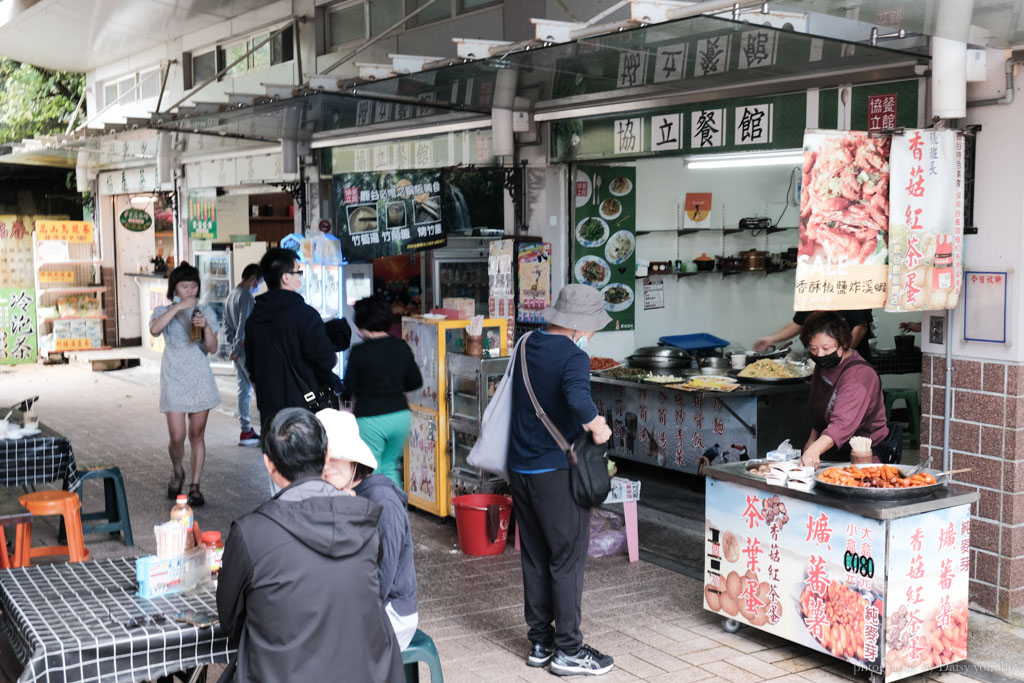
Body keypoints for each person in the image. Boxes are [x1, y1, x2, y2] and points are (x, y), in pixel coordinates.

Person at [217, 408, 404, 683]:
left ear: (269, 465)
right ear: (326, 456)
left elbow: (230, 623)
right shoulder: (364, 521)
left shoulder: (250, 534)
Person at [508, 284, 614, 677]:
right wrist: (598, 427)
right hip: (555, 473)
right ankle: (569, 650)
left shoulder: (525, 344)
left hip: (521, 468)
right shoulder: (573, 356)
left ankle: (541, 642)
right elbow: (578, 400)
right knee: (566, 559)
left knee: (535, 555)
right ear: (581, 325)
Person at [318, 408, 419, 650]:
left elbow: (379, 586)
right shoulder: (337, 493)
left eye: (335, 456)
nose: (327, 465)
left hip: (391, 611)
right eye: (321, 458)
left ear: (354, 457)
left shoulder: (382, 501)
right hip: (355, 600)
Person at [244, 247, 339, 437]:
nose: (301, 277)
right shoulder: (306, 315)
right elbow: (325, 361)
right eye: (298, 272)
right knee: (304, 460)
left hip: (270, 410)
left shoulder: (254, 318)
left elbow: (252, 368)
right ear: (286, 277)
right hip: (304, 408)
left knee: (277, 462)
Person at [148, 262, 220, 507]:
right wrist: (178, 307)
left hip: (199, 376)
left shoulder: (205, 312)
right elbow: (155, 330)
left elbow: (211, 348)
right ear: (174, 289)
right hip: (174, 376)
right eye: (184, 286)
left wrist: (206, 328)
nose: (190, 290)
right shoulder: (163, 309)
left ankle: (195, 486)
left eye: (193, 285)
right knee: (177, 436)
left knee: (196, 435)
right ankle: (178, 471)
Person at [341, 297, 422, 488]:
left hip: (370, 418)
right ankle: (396, 511)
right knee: (390, 466)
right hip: (400, 416)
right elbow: (415, 381)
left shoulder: (359, 352)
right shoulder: (401, 347)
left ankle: (378, 514)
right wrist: (393, 386)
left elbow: (349, 389)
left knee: (371, 469)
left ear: (361, 324)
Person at [798, 311, 889, 468]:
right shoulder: (824, 365)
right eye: (813, 349)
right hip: (832, 449)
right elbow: (820, 415)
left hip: (865, 454)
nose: (820, 355)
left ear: (844, 343)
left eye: (826, 348)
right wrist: (812, 440)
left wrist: (814, 450)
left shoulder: (857, 377)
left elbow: (842, 424)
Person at [224, 264, 263, 447]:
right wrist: (237, 349)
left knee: (243, 390)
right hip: (244, 350)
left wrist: (232, 346)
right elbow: (243, 325)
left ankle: (246, 429)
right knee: (258, 389)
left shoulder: (232, 294)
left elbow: (227, 326)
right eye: (259, 282)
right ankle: (265, 430)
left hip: (236, 351)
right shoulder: (246, 296)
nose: (259, 286)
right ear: (253, 278)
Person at [753, 309, 874, 362]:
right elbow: (798, 324)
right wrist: (771, 339)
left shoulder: (850, 287)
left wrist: (841, 356)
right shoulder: (813, 290)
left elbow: (860, 328)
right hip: (823, 365)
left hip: (850, 363)